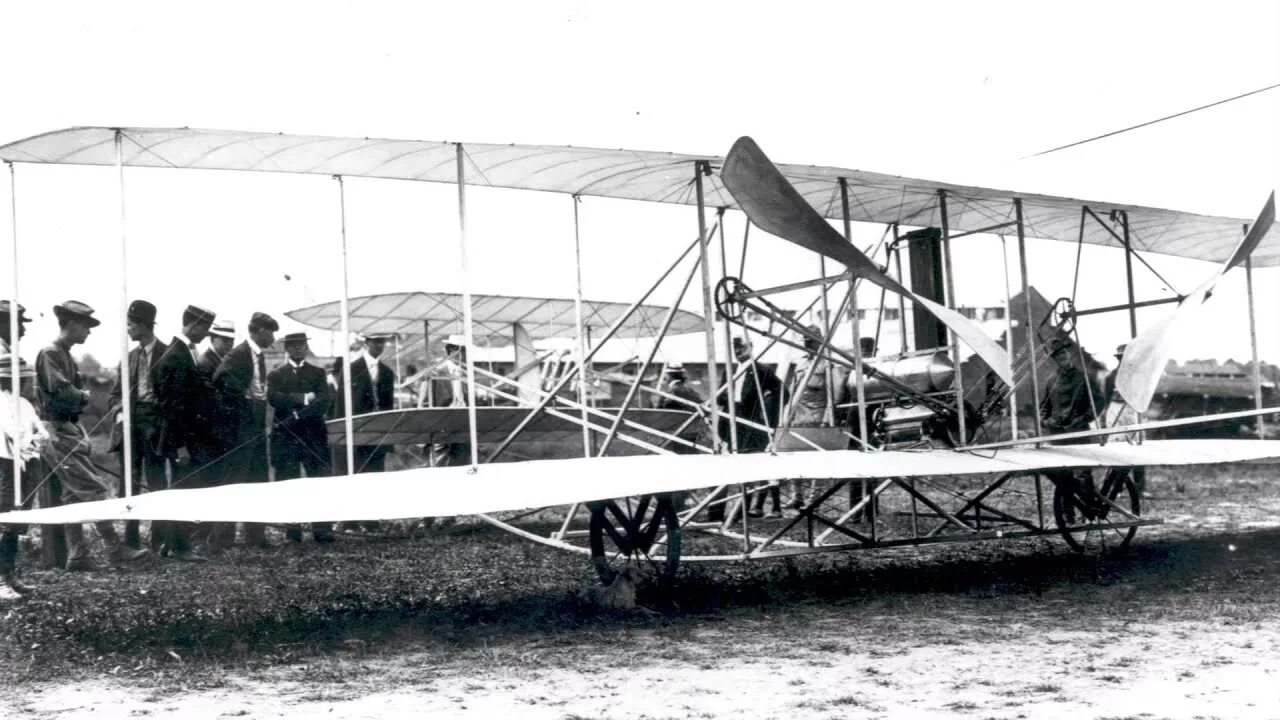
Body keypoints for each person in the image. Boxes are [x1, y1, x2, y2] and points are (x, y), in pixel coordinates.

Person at [36, 301, 149, 570]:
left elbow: (71, 394)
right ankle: (114, 549)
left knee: (72, 496)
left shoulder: (64, 354)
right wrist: (84, 396)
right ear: (71, 323)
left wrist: (79, 397)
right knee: (94, 489)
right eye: (86, 326)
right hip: (57, 430)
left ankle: (78, 556)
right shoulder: (50, 353)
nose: (89, 331)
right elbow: (64, 393)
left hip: (67, 430)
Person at [150, 304, 216, 561]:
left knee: (181, 488)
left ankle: (171, 543)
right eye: (205, 328)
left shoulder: (182, 352)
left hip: (187, 438)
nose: (206, 333)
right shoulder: (175, 356)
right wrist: (180, 446)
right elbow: (172, 406)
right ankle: (180, 547)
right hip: (183, 440)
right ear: (194, 325)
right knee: (183, 490)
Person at [212, 311, 278, 548]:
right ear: (259, 330)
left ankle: (256, 535)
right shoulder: (239, 353)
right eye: (271, 331)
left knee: (258, 479)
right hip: (241, 430)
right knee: (233, 481)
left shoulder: (257, 355)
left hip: (257, 428)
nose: (273, 336)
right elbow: (220, 380)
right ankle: (222, 537)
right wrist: (242, 409)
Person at [106, 300, 165, 551]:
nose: (128, 330)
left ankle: (160, 539)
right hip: (131, 426)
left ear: (143, 325)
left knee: (156, 482)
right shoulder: (128, 357)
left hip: (156, 425)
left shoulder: (168, 353)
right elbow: (115, 394)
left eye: (130, 325)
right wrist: (119, 413)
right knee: (129, 483)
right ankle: (131, 540)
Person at [267, 332, 334, 543]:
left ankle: (322, 529)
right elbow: (273, 398)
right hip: (286, 438)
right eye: (293, 345)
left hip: (313, 437)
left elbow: (324, 401)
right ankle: (292, 531)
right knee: (289, 482)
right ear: (286, 348)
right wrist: (304, 398)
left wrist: (296, 411)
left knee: (319, 483)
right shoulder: (276, 374)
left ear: (306, 347)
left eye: (302, 345)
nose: (298, 348)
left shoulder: (318, 373)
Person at [1040, 337, 1107, 520]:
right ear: (1053, 359)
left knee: (1083, 474)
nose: (1061, 356)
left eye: (1063, 352)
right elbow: (1044, 407)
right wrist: (1045, 421)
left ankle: (1090, 510)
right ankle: (1067, 514)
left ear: (1069, 354)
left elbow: (1099, 401)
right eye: (1057, 355)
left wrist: (1083, 418)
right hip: (1058, 435)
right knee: (1062, 475)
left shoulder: (1084, 377)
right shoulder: (1051, 380)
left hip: (1078, 433)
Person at [785, 327, 849, 511]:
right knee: (793, 455)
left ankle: (814, 498)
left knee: (817, 460)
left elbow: (836, 393)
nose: (807, 344)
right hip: (797, 417)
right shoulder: (801, 363)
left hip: (817, 416)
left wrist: (828, 418)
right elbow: (792, 391)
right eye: (805, 340)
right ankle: (796, 495)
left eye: (811, 340)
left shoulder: (829, 362)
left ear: (820, 340)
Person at [1, 354, 47, 598]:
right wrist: (29, 441)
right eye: (28, 379)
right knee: (5, 518)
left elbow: (41, 432)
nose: (32, 384)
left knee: (17, 520)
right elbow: (13, 433)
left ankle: (9, 574)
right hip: (6, 465)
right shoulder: (2, 402)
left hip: (26, 464)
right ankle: (1, 580)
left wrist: (35, 440)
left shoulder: (25, 405)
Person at [723, 337, 785, 519]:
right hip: (734, 419)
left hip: (754, 422)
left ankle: (753, 507)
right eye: (735, 348)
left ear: (751, 347)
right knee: (741, 462)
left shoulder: (761, 370)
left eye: (741, 347)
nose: (738, 351)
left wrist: (766, 409)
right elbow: (721, 395)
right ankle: (745, 507)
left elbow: (782, 393)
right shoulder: (730, 370)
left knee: (757, 462)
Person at [190, 318, 236, 550]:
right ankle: (199, 538)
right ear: (212, 339)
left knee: (219, 483)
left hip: (221, 434)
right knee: (207, 484)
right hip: (207, 435)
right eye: (224, 340)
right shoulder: (205, 363)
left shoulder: (222, 361)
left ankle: (211, 538)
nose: (228, 344)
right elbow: (210, 400)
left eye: (231, 340)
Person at [1102, 343, 1147, 495]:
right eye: (1121, 358)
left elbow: (1143, 395)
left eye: (1126, 357)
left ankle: (1139, 487)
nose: (1124, 361)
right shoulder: (1111, 377)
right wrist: (1105, 417)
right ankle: (1116, 486)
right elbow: (1106, 398)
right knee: (1116, 447)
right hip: (1115, 409)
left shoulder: (1138, 375)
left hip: (1131, 409)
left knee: (1137, 447)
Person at [656, 362, 704, 453]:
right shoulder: (690, 390)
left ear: (669, 375)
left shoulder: (671, 392)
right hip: (692, 432)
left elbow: (661, 413)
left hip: (676, 434)